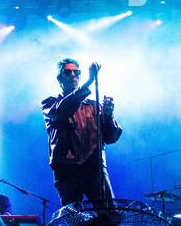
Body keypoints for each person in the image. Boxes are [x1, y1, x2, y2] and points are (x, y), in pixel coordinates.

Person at [42, 59, 122, 206]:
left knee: (109, 214)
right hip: (67, 168)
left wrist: (109, 115)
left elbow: (111, 137)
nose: (73, 75)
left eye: (76, 72)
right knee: (73, 218)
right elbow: (60, 112)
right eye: (68, 72)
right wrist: (90, 81)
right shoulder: (50, 104)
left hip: (94, 167)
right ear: (59, 78)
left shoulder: (93, 106)